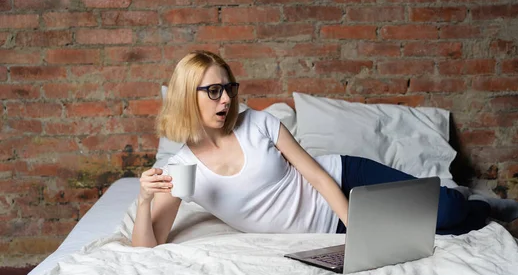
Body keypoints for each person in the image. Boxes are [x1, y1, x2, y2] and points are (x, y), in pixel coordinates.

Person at [132, 51, 491, 248]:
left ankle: (467, 199)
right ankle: (481, 212)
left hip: (345, 178)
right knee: (441, 235)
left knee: (446, 211)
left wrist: (356, 223)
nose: (226, 99)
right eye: (214, 91)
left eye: (229, 88)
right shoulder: (182, 168)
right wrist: (144, 201)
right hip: (327, 228)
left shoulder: (257, 122)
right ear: (186, 97)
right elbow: (148, 246)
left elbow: (316, 174)